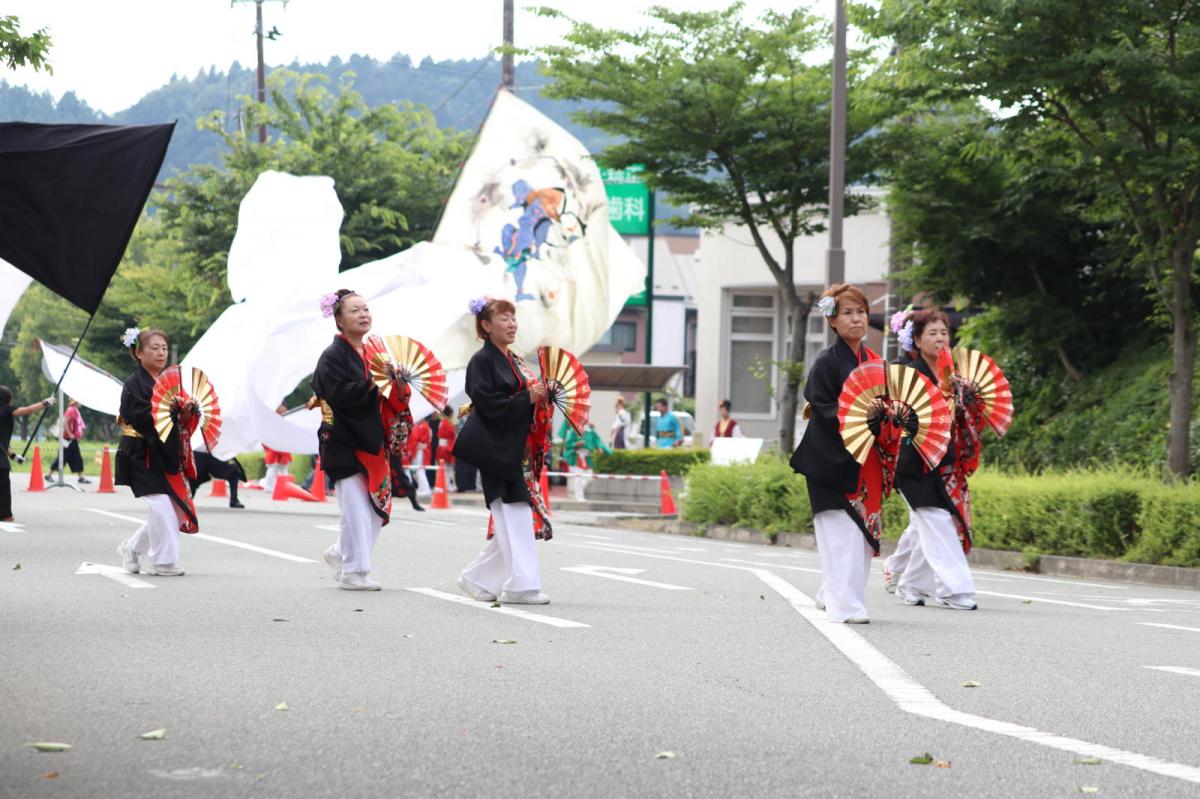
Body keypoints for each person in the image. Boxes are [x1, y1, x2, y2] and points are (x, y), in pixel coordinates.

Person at [790, 283, 893, 624]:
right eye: (847, 313)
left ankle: (836, 596)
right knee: (840, 537)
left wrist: (890, 418)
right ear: (832, 321)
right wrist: (865, 414)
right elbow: (823, 408)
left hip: (868, 463)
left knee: (861, 539)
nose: (856, 319)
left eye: (861, 312)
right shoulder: (825, 362)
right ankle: (844, 605)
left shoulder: (877, 363)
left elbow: (891, 410)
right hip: (830, 461)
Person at [312, 289, 413, 591]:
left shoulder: (375, 355)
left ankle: (341, 553)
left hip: (372, 439)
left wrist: (397, 384)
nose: (363, 314)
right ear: (339, 319)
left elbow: (388, 397)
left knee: (372, 509)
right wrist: (371, 385)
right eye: (355, 310)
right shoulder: (332, 356)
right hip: (343, 439)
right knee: (356, 507)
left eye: (366, 309)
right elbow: (336, 394)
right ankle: (354, 571)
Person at [456, 296, 553, 605]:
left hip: (513, 446)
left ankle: (477, 578)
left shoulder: (513, 359)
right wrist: (527, 398)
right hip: (496, 448)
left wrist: (539, 397)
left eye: (513, 318)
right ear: (486, 326)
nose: (512, 324)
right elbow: (486, 404)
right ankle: (521, 586)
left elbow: (520, 399)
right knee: (515, 514)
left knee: (511, 517)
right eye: (504, 319)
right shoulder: (482, 361)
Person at [894, 309, 978, 611]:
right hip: (910, 460)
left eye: (944, 332)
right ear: (916, 340)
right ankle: (954, 589)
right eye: (932, 333)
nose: (941, 338)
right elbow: (897, 417)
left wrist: (963, 406)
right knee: (937, 520)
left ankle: (911, 583)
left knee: (926, 525)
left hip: (942, 459)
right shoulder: (906, 374)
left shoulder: (952, 375)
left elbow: (964, 421)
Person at [114, 327, 200, 577]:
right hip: (139, 452)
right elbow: (137, 417)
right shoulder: (133, 384)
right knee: (161, 505)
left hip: (163, 453)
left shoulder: (168, 384)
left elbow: (178, 423)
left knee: (171, 508)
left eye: (163, 348)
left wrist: (186, 411)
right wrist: (167, 410)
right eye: (154, 348)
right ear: (139, 353)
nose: (161, 353)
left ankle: (131, 548)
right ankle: (163, 562)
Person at [0, 387, 53, 522]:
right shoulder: (6, 410)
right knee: (3, 487)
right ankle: (6, 515)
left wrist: (14, 456)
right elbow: (28, 410)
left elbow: (2, 444)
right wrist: (44, 403)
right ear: (9, 400)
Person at [563, 420, 612, 501]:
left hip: (587, 457)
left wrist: (599, 447)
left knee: (589, 476)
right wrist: (576, 444)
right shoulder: (573, 430)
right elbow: (568, 443)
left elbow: (598, 440)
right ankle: (579, 496)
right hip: (577, 456)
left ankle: (577, 491)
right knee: (578, 477)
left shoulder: (590, 431)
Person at [46, 398, 89, 484]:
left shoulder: (75, 410)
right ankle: (48, 475)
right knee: (62, 458)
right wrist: (69, 434)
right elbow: (65, 422)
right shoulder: (71, 410)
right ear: (76, 401)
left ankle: (81, 477)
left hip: (72, 439)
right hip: (67, 439)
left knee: (77, 457)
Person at [261, 405, 292, 493]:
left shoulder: (279, 422)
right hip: (275, 450)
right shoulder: (274, 423)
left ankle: (282, 486)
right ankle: (270, 486)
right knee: (274, 469)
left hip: (280, 449)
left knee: (281, 470)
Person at [452, 403, 479, 492]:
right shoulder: (471, 419)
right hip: (470, 445)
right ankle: (470, 486)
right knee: (470, 467)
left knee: (460, 467)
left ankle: (462, 486)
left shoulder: (460, 420)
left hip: (461, 445)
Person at [406, 413, 433, 497]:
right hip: (419, 450)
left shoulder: (423, 426)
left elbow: (415, 439)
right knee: (417, 471)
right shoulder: (422, 426)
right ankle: (422, 488)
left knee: (419, 470)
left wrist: (411, 449)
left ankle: (425, 489)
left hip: (420, 451)